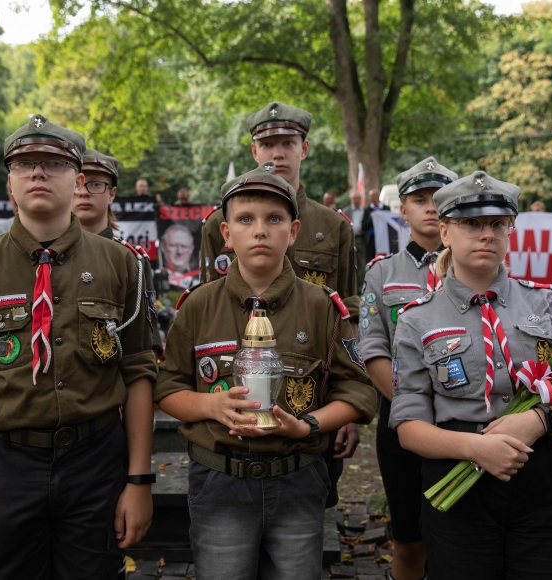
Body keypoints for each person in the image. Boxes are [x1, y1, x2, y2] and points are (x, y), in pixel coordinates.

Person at [0, 114, 157, 579]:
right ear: (10, 183)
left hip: (95, 461)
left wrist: (138, 480)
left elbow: (138, 372)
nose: (37, 172)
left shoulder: (123, 265)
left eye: (52, 163)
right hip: (6, 464)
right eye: (24, 164)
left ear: (78, 181)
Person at [155, 163, 377, 580]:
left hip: (297, 478)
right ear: (226, 234)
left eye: (274, 220)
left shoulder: (322, 307)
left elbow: (358, 391)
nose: (259, 231)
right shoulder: (199, 306)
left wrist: (307, 425)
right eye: (245, 220)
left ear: (293, 232)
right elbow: (167, 387)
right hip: (219, 479)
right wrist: (210, 404)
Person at [390, 171, 552, 579]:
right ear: (446, 231)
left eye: (497, 224)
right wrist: (476, 449)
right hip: (457, 480)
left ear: (510, 231)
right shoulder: (417, 319)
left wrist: (538, 420)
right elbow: (408, 426)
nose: (486, 234)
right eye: (471, 223)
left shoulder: (547, 302)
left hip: (542, 475)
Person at [197, 101, 362, 505]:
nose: (277, 153)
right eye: (267, 143)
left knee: (308, 518)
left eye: (287, 142)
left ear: (304, 149)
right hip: (235, 401)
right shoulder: (219, 222)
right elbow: (205, 315)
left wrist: (347, 413)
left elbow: (349, 314)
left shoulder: (333, 226)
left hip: (312, 403)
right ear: (254, 151)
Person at [359, 156, 457, 580]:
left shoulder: (477, 271)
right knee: (409, 541)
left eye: (440, 198)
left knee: (461, 538)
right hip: (401, 426)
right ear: (403, 210)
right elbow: (372, 348)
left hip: (465, 423)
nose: (431, 207)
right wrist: (410, 409)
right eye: (420, 199)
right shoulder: (382, 274)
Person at [73, 149, 163, 358]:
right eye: (78, 183)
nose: (84, 192)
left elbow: (145, 347)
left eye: (95, 184)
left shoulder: (133, 260)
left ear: (112, 193)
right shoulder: (45, 256)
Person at [342, 190, 367, 289]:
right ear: (351, 200)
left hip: (363, 239)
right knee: (352, 261)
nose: (356, 200)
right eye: (354, 198)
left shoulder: (365, 210)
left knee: (363, 262)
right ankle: (353, 285)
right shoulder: (346, 211)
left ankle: (362, 285)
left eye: (358, 198)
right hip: (351, 239)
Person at [363, 188, 389, 261]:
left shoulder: (386, 209)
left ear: (378, 196)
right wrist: (371, 219)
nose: (371, 199)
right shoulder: (367, 210)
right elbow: (364, 226)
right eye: (370, 196)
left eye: (373, 196)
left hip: (383, 240)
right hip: (371, 240)